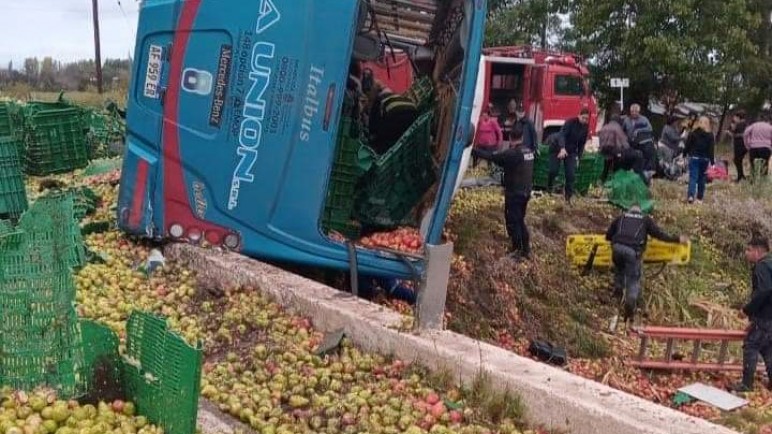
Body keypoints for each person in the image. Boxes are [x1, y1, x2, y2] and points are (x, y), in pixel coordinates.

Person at [606, 205, 687, 322]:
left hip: (616, 248)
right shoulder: (645, 220)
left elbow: (608, 235)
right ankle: (630, 302)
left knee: (619, 269)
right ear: (640, 211)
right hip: (632, 251)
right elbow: (659, 235)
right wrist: (677, 239)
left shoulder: (621, 217)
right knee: (633, 279)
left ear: (630, 210)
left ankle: (618, 294)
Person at [472, 130, 535, 260]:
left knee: (513, 221)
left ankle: (517, 251)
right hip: (526, 192)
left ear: (511, 138)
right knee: (520, 220)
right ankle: (526, 249)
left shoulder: (513, 153)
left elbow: (493, 157)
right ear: (522, 137)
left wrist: (474, 151)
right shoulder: (528, 151)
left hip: (515, 193)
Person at [730, 235, 772, 393]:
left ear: (757, 251)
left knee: (751, 345)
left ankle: (746, 385)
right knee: (768, 348)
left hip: (764, 317)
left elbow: (764, 290)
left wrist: (747, 310)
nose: (746, 253)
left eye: (748, 250)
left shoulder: (761, 267)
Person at [547, 108, 590, 202]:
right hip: (557, 147)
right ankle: (549, 187)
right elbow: (562, 135)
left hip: (571, 151)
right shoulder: (570, 122)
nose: (585, 120)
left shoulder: (585, 128)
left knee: (571, 175)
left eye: (587, 119)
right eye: (583, 118)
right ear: (579, 115)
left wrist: (578, 156)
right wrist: (562, 148)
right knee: (553, 170)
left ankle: (568, 197)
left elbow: (581, 144)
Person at [367, 80, 419, 155]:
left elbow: (372, 128)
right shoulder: (396, 95)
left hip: (398, 117)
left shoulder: (378, 100)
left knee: (380, 139)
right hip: (413, 112)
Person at [683, 116, 716, 204]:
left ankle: (690, 196)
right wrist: (712, 162)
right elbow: (711, 149)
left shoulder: (693, 133)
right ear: (708, 124)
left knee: (693, 177)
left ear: (698, 123)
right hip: (705, 159)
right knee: (702, 178)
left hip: (694, 158)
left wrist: (684, 154)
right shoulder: (710, 135)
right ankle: (699, 198)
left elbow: (687, 145)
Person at [598, 115, 629, 182]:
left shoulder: (604, 127)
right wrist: (626, 149)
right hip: (614, 150)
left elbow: (600, 139)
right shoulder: (617, 128)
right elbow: (622, 140)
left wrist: (601, 148)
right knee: (616, 167)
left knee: (606, 166)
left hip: (604, 150)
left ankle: (602, 181)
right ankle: (614, 182)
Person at [743, 114, 772, 179]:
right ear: (767, 120)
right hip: (766, 148)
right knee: (764, 165)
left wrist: (747, 144)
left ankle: (753, 180)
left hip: (754, 147)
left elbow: (745, 134)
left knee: (753, 165)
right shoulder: (769, 127)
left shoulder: (753, 125)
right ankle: (763, 180)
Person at [730, 111, 749, 182]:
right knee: (738, 160)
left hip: (739, 144)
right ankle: (741, 175)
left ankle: (740, 177)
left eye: (735, 117)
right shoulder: (746, 124)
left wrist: (732, 127)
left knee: (737, 160)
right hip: (745, 145)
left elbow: (734, 133)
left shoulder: (739, 124)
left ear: (738, 117)